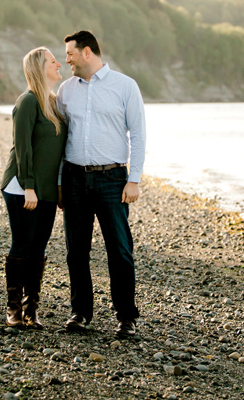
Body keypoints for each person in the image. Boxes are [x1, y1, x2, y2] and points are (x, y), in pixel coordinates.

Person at [57, 30, 146, 338]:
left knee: (120, 249)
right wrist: (59, 182)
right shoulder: (66, 90)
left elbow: (138, 133)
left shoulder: (125, 86)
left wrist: (134, 178)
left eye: (69, 53)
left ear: (87, 52)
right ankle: (80, 312)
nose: (65, 59)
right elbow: (60, 138)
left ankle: (126, 317)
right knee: (76, 250)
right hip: (74, 178)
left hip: (112, 179)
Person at [0, 47, 67, 329]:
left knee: (39, 248)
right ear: (41, 68)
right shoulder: (27, 102)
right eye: (53, 61)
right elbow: (23, 149)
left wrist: (60, 187)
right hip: (22, 186)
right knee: (23, 244)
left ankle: (31, 311)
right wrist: (28, 186)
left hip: (48, 189)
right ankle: (13, 310)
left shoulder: (53, 102)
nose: (59, 64)